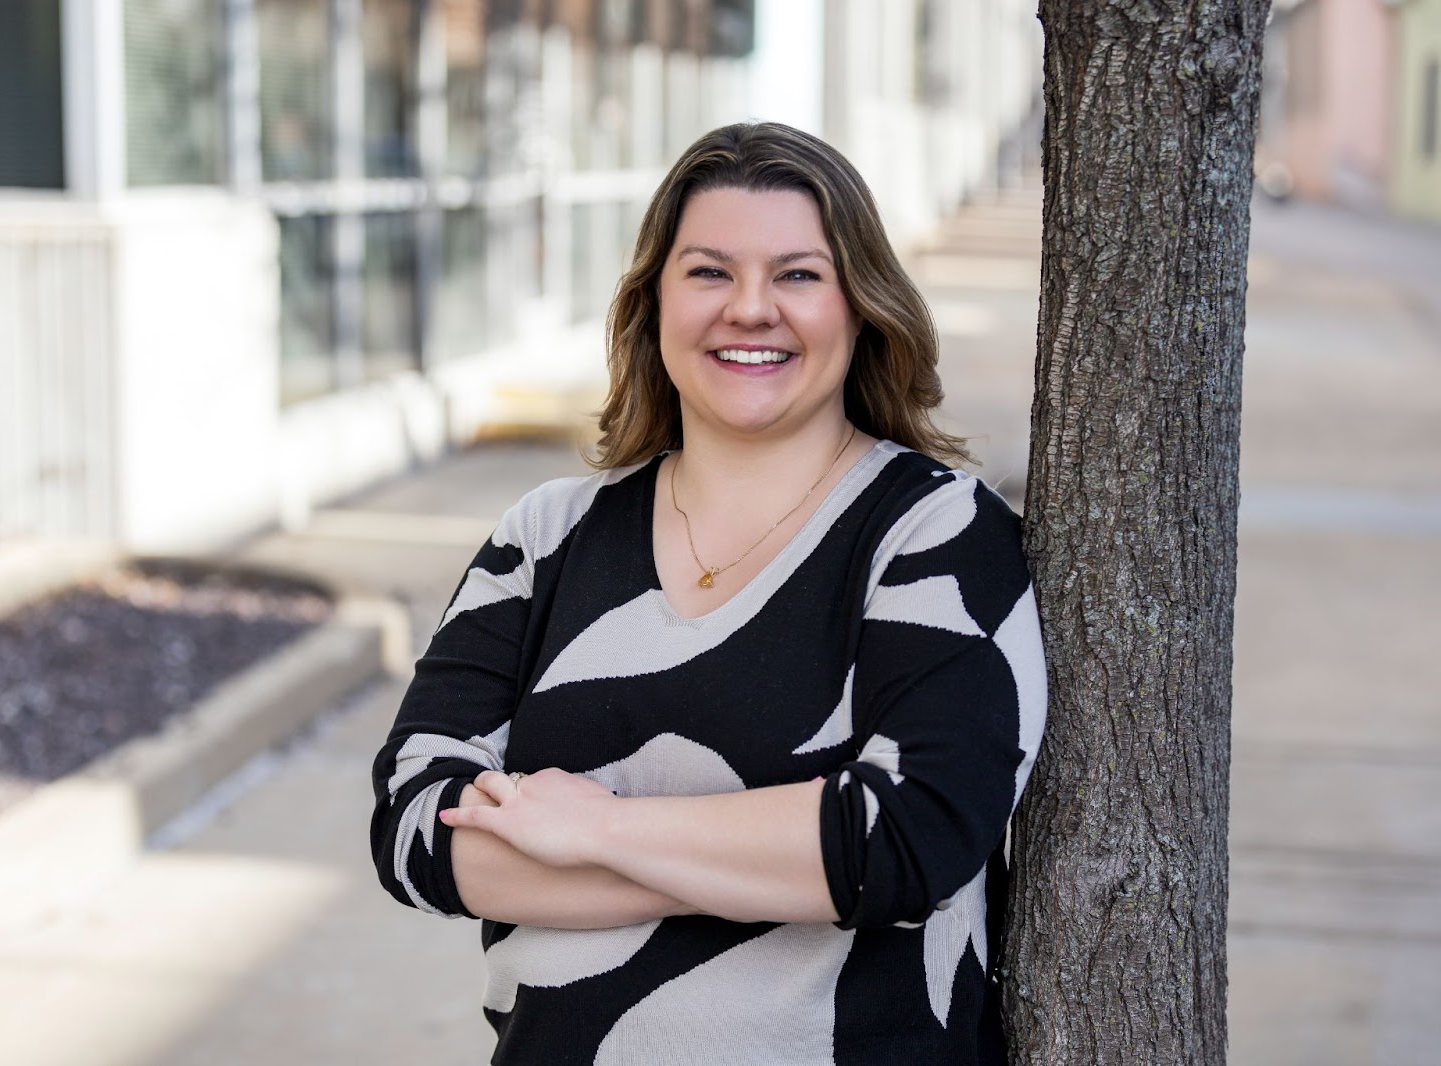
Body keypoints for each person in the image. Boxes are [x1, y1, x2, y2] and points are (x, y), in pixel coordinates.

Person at [371, 121, 1046, 1065]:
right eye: (709, 272)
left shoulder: (936, 533)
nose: (751, 309)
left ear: (861, 305)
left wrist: (589, 828)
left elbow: (910, 836)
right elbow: (414, 830)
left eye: (799, 275)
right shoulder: (548, 535)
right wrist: (777, 862)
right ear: (653, 302)